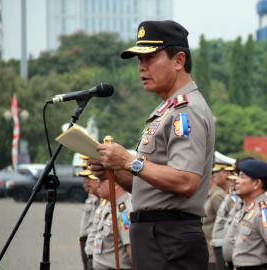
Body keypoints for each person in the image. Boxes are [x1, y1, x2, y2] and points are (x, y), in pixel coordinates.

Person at [89, 20, 215, 270]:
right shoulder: (165, 110)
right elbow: (147, 188)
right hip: (157, 235)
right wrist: (114, 171)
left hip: (170, 236)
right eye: (139, 60)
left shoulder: (185, 111)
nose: (142, 67)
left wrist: (128, 161)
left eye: (150, 58)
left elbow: (185, 180)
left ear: (178, 60)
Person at [231, 159, 267, 270]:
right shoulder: (248, 208)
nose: (236, 180)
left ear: (256, 183)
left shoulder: (264, 212)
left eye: (242, 177)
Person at [92, 178, 133, 269]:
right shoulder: (110, 204)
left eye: (102, 180)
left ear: (115, 184)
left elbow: (130, 247)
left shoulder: (124, 211)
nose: (98, 183)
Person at [204, 163, 233, 269]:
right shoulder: (211, 194)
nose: (214, 175)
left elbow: (227, 222)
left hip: (215, 250)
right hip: (208, 248)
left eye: (216, 172)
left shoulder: (218, 195)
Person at [76, 156, 100, 270]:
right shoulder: (91, 196)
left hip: (94, 244)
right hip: (86, 242)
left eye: (88, 177)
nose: (85, 181)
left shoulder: (100, 197)